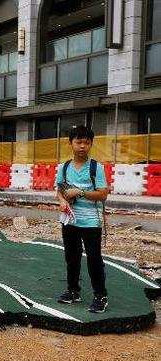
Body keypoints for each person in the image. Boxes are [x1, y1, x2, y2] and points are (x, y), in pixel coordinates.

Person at [55, 125, 109, 313]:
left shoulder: (96, 167)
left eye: (86, 142)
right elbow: (59, 191)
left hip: (91, 221)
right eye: (78, 142)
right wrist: (62, 201)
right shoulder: (64, 167)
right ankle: (73, 291)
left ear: (91, 144)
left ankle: (100, 295)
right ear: (71, 143)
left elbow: (103, 194)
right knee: (72, 257)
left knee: (94, 258)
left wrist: (81, 192)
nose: (82, 146)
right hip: (69, 221)